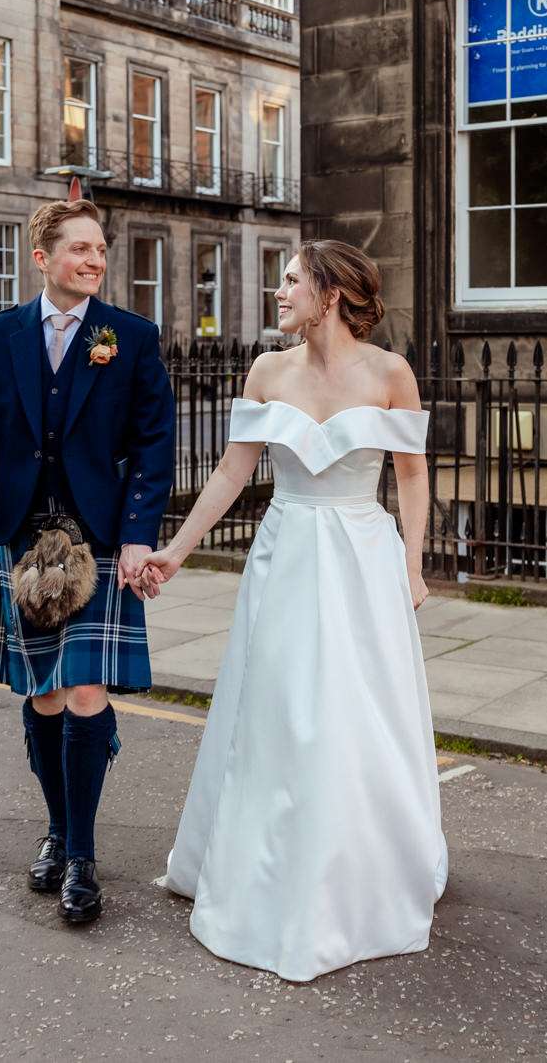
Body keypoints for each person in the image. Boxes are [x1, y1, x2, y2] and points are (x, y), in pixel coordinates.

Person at [140, 240, 446, 982]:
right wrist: (176, 550)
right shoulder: (267, 372)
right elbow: (231, 472)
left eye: (290, 281)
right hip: (285, 555)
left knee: (358, 711)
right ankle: (270, 867)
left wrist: (411, 565)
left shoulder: (390, 374)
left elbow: (412, 476)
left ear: (329, 293)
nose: (278, 293)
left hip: (361, 559)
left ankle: (358, 871)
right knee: (278, 709)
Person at [0, 198, 175, 925]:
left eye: (100, 249)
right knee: (44, 695)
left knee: (83, 691)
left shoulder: (129, 336)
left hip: (99, 539)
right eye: (80, 248)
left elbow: (155, 442)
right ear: (42, 257)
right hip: (24, 540)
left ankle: (80, 855)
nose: (95, 260)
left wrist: (138, 533)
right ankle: (56, 825)